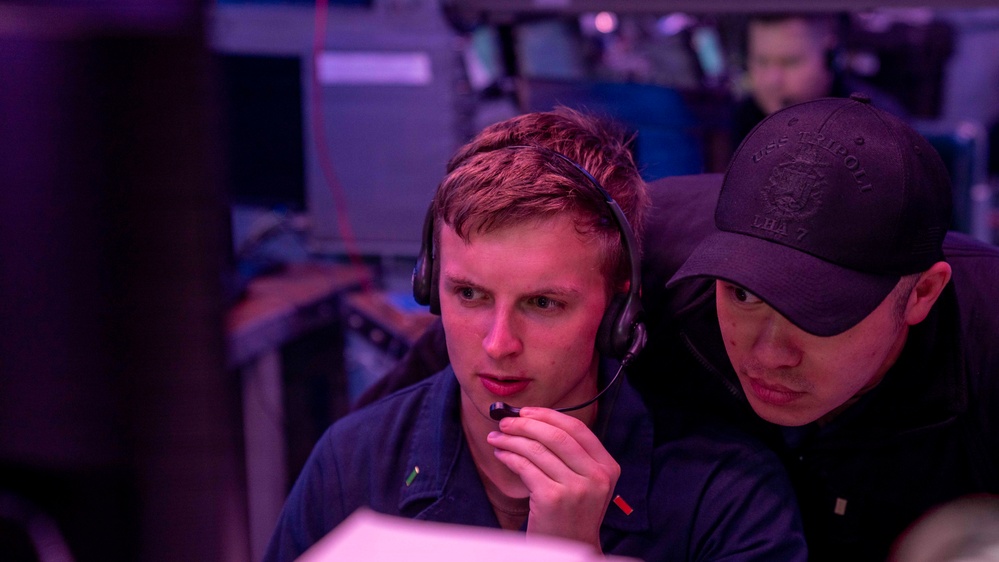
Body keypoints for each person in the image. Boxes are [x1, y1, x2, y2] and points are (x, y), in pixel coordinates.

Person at [359, 96, 999, 562]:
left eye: (817, 314)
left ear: (921, 293)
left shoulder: (988, 341)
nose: (767, 353)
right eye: (743, 294)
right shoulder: (655, 261)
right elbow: (457, 366)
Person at [264, 107, 808, 561]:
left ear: (620, 307)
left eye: (543, 303)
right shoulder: (352, 464)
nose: (499, 344)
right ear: (431, 286)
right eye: (469, 295)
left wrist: (570, 552)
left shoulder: (728, 496)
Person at [731, 12, 908, 145]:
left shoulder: (878, 124)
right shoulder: (742, 119)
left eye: (789, 62)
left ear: (830, 57)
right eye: (761, 61)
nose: (772, 81)